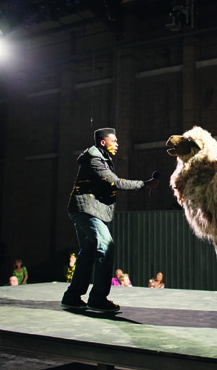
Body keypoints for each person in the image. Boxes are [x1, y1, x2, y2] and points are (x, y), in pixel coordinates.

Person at [60, 127, 159, 312]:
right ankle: (98, 298)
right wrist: (145, 184)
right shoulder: (95, 159)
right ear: (103, 142)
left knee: (87, 252)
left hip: (84, 209)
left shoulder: (101, 158)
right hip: (86, 210)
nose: (117, 144)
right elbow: (116, 182)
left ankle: (72, 296)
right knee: (106, 246)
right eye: (114, 141)